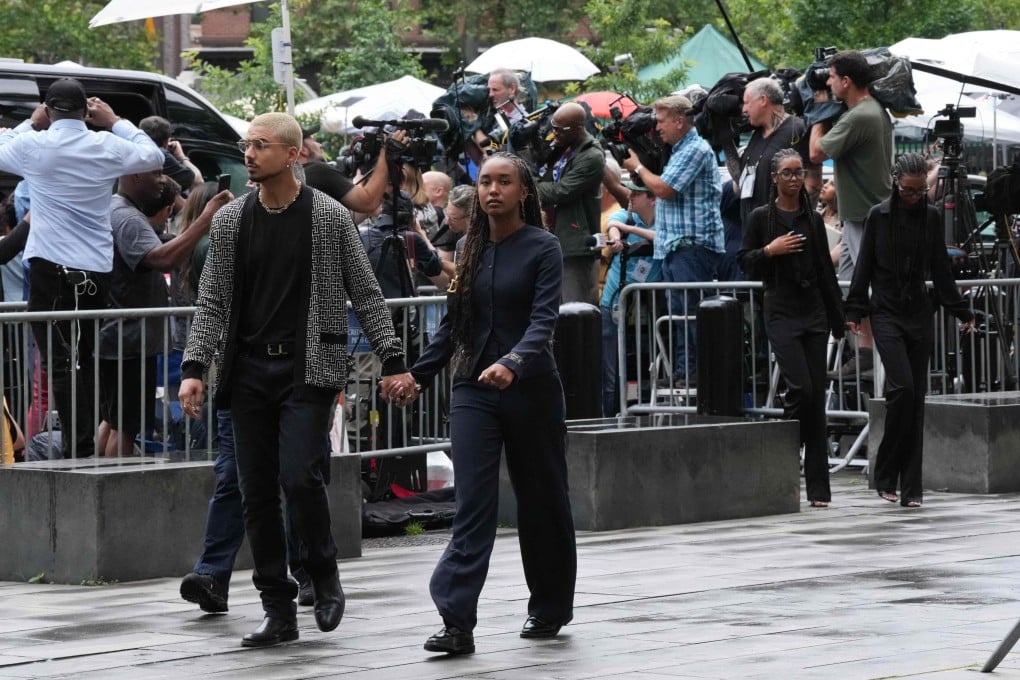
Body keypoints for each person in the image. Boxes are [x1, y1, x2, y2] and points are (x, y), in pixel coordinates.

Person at [179, 112, 417, 647]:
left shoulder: (329, 217)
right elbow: (212, 301)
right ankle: (277, 608)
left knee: (298, 477)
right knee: (255, 492)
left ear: (291, 155)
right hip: (247, 373)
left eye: (260, 146)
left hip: (308, 370)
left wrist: (394, 360)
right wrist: (194, 369)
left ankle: (323, 573)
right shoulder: (231, 220)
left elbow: (366, 291)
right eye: (246, 145)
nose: (248, 154)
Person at [406, 152, 575, 655]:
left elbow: (544, 320)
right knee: (473, 504)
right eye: (486, 182)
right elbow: (455, 325)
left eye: (505, 182)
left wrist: (516, 361)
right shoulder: (468, 245)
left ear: (523, 191)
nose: (493, 190)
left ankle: (549, 607)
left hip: (531, 389)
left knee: (542, 500)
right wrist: (416, 375)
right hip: (473, 389)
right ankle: (456, 621)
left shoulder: (544, 247)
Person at [0, 77, 164, 458]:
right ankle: (82, 442)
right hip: (94, 269)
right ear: (84, 112)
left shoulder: (33, 144)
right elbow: (153, 155)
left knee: (60, 361)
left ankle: (80, 444)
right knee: (84, 357)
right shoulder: (105, 143)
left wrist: (32, 122)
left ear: (50, 109)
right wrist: (115, 120)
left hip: (49, 267)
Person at [845, 153, 974, 509]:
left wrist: (961, 310)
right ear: (895, 183)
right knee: (901, 387)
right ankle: (886, 470)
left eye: (921, 192)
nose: (915, 197)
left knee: (916, 400)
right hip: (885, 311)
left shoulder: (931, 217)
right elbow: (864, 265)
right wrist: (854, 308)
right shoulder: (878, 215)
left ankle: (911, 488)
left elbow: (941, 270)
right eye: (908, 191)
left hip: (919, 311)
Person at [739, 149, 845, 508]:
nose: (794, 178)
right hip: (781, 309)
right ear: (774, 178)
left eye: (799, 172)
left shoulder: (811, 219)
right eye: (787, 173)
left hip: (813, 310)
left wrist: (838, 317)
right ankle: (785, 448)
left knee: (816, 397)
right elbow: (744, 262)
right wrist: (770, 250)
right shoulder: (760, 218)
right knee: (800, 388)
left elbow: (824, 272)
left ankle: (818, 490)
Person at [97, 173, 229, 459]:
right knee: (125, 426)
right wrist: (206, 218)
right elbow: (162, 259)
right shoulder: (128, 218)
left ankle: (104, 488)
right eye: (154, 173)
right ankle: (114, 492)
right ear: (134, 177)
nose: (160, 180)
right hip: (128, 339)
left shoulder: (116, 210)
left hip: (122, 337)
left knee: (114, 420)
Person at [621, 95, 725, 389]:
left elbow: (665, 190)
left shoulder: (695, 149)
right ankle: (684, 371)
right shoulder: (677, 150)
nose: (657, 128)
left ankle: (698, 375)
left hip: (691, 246)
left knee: (691, 315)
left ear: (680, 121)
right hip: (674, 248)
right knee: (679, 316)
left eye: (661, 121)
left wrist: (639, 167)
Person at [810, 50, 893, 375]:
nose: (827, 82)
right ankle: (862, 355)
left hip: (866, 217)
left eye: (831, 77)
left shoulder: (861, 115)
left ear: (846, 81)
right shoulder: (870, 110)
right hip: (859, 214)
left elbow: (816, 153)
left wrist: (818, 111)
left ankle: (874, 358)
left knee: (863, 286)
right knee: (847, 285)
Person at [536, 102, 605, 304]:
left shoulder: (591, 155)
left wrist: (529, 186)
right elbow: (548, 182)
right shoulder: (565, 149)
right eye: (553, 127)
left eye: (560, 129)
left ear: (578, 128)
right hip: (555, 240)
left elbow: (561, 191)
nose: (554, 133)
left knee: (575, 310)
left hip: (575, 245)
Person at [601, 181, 660, 416]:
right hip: (614, 304)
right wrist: (617, 237)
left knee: (643, 367)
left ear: (653, 198)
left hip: (648, 309)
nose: (630, 196)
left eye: (636, 193)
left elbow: (661, 237)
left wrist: (632, 233)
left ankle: (640, 412)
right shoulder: (626, 215)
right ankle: (607, 416)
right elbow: (613, 224)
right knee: (610, 371)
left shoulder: (665, 221)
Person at [724, 77, 809, 228]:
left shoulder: (797, 129)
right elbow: (741, 180)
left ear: (763, 100)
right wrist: (725, 139)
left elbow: (811, 183)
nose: (744, 109)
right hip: (752, 233)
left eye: (747, 102)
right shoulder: (757, 134)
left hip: (783, 234)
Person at [139, 115, 203, 194]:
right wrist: (181, 155)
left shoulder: (133, 149)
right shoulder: (160, 154)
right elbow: (197, 181)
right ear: (166, 142)